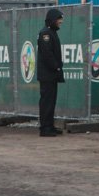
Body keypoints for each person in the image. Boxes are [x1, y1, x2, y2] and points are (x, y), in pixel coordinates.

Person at [37, 8, 65, 137]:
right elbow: (47, 54)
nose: (61, 21)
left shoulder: (51, 32)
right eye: (59, 19)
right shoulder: (46, 33)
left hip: (51, 74)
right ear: (53, 19)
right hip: (47, 74)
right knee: (47, 102)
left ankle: (50, 125)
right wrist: (56, 67)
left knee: (51, 101)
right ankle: (45, 128)